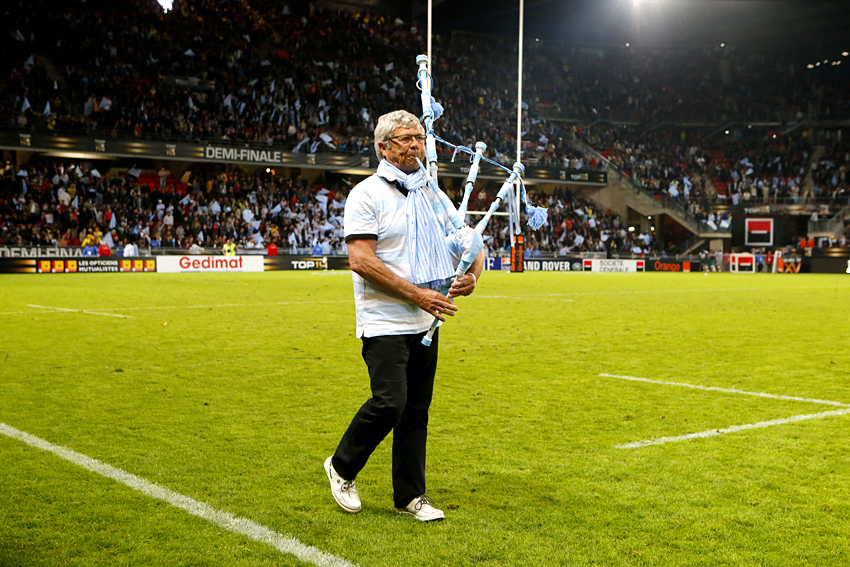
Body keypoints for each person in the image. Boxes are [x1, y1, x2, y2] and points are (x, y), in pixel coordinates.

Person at [324, 110, 484, 522]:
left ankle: (411, 497)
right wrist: (418, 294)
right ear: (384, 147)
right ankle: (341, 466)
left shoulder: (433, 194)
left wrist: (471, 274)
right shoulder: (366, 194)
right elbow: (361, 260)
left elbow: (469, 242)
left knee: (416, 410)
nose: (415, 144)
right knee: (390, 403)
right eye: (405, 139)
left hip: (425, 323)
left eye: (419, 137)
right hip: (384, 320)